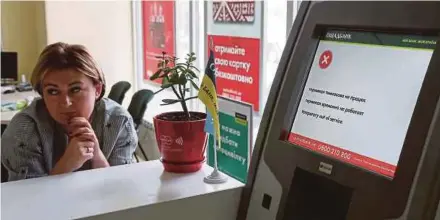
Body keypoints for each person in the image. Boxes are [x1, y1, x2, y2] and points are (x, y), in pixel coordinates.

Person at [1, 42, 138, 182]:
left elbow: (121, 192)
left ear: (97, 90)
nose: (65, 102)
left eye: (75, 89)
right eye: (53, 91)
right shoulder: (23, 130)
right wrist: (66, 165)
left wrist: (97, 156)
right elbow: (27, 200)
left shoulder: (118, 121)